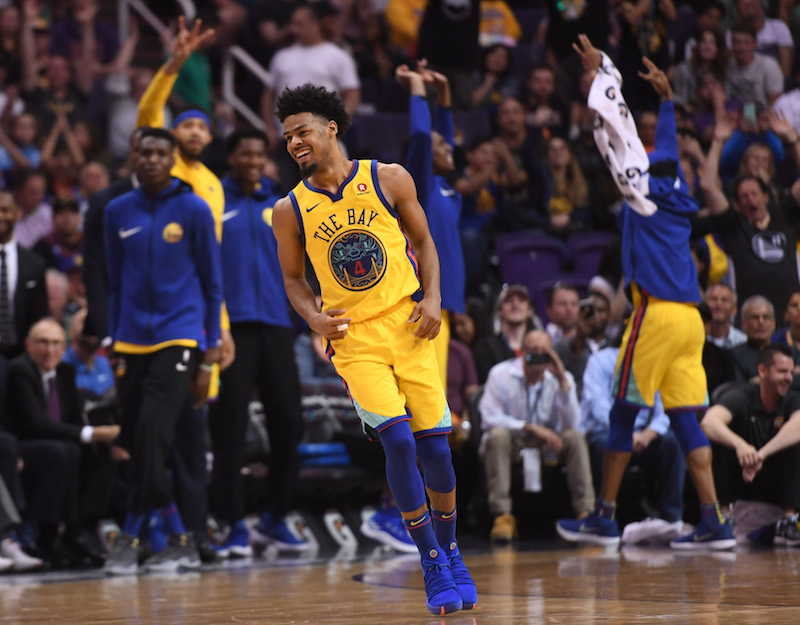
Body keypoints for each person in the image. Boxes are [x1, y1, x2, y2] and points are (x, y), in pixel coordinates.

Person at [272, 83, 475, 615]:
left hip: (409, 325)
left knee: (437, 450)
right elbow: (292, 279)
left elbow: (425, 242)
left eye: (302, 131)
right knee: (399, 443)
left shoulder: (388, 177)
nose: (294, 143)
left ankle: (453, 550)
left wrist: (433, 297)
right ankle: (431, 560)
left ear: (331, 127)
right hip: (354, 339)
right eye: (287, 137)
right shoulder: (289, 209)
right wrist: (314, 316)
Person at [557, 36, 734, 550]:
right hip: (692, 321)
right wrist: (668, 100)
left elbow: (621, 136)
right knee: (684, 418)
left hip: (654, 315)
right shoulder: (678, 196)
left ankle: (603, 517)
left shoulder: (641, 196)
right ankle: (713, 520)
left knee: (622, 411)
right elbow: (666, 153)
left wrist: (600, 76)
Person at [102, 128, 223, 575]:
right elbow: (115, 283)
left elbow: (212, 284)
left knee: (152, 433)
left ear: (172, 159)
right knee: (138, 440)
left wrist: (209, 352)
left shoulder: (194, 208)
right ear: (133, 156)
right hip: (130, 340)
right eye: (144, 152)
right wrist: (114, 339)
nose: (151, 159)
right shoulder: (116, 211)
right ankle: (178, 539)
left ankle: (133, 538)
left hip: (180, 336)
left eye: (159, 153)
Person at [209, 128, 307, 557]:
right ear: (231, 157)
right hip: (231, 328)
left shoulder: (281, 202)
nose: (252, 161)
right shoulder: (213, 200)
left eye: (258, 154)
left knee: (289, 421)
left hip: (276, 324)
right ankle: (231, 523)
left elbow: (301, 261)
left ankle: (274, 517)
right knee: (229, 427)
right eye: (244, 154)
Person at [6, 317, 119, 567]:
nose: (50, 350)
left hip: (59, 444)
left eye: (56, 343)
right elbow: (36, 424)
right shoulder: (19, 370)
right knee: (64, 451)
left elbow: (75, 416)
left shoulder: (65, 372)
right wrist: (92, 433)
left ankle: (82, 528)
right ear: (28, 344)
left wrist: (99, 438)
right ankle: (47, 536)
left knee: (101, 454)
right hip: (24, 445)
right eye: (43, 342)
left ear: (64, 346)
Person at [480, 330, 595, 542]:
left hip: (548, 446)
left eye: (545, 351)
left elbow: (573, 425)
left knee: (575, 438)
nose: (539, 356)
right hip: (514, 443)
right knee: (496, 436)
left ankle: (585, 514)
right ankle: (503, 516)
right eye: (533, 351)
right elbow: (488, 417)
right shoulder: (501, 374)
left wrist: (562, 382)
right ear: (522, 352)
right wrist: (528, 427)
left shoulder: (561, 378)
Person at [395, 63, 464, 388]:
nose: (449, 147)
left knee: (437, 392)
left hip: (442, 305)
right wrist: (416, 87)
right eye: (441, 147)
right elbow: (423, 136)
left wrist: (444, 89)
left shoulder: (443, 185)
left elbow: (442, 137)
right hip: (423, 303)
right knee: (428, 392)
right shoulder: (419, 187)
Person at [581, 343, 686, 541]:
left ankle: (671, 520)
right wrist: (625, 433)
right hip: (607, 429)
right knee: (604, 445)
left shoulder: (655, 361)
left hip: (642, 434)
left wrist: (648, 434)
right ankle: (604, 518)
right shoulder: (601, 360)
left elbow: (665, 406)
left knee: (673, 442)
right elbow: (598, 405)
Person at [701, 344, 800, 545]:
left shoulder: (793, 399)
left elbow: (798, 426)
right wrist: (741, 446)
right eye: (782, 372)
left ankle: (789, 520)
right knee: (716, 439)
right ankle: (724, 517)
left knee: (796, 442)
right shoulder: (741, 395)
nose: (789, 378)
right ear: (762, 371)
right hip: (742, 477)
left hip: (776, 480)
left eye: (791, 372)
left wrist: (760, 455)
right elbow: (709, 422)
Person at [0, 190, 48, 369]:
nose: (0, 216)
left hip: (22, 356)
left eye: (5, 210)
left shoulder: (34, 263)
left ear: (18, 212)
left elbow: (40, 314)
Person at [731, 296, 776, 381]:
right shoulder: (732, 356)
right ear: (743, 324)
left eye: (766, 317)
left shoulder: (785, 353)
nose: (761, 322)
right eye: (755, 317)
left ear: (774, 323)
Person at [704, 283, 746, 349]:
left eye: (724, 300)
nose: (718, 304)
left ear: (734, 309)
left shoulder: (743, 341)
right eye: (713, 299)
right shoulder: (695, 339)